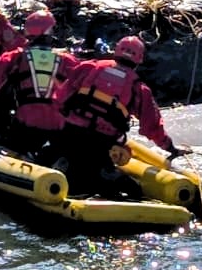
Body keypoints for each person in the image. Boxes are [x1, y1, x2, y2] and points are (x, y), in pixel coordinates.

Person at [53, 35, 183, 197]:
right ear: (139, 59)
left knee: (60, 159)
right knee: (127, 188)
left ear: (117, 51)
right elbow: (152, 127)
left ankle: (62, 170)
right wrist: (170, 147)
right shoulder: (139, 89)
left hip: (70, 134)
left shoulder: (89, 67)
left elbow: (59, 99)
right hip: (101, 144)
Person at [0, 8, 79, 160]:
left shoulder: (14, 57)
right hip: (58, 129)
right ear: (50, 32)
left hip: (25, 126)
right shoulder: (69, 61)